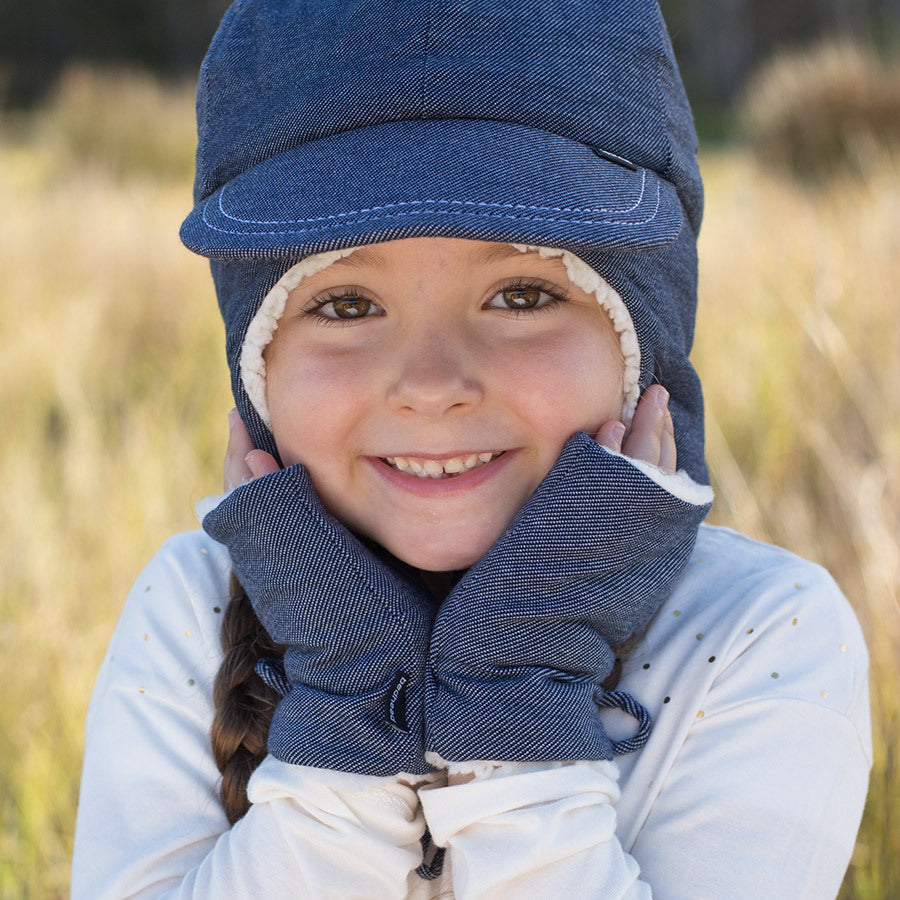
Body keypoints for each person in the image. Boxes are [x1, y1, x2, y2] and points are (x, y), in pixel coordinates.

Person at [70, 1, 871, 897]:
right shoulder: (190, 611)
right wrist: (348, 702)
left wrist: (518, 684)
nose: (433, 383)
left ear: (641, 338)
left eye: (523, 295)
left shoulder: (760, 631)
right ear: (257, 364)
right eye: (345, 306)